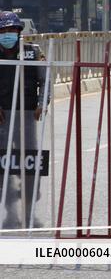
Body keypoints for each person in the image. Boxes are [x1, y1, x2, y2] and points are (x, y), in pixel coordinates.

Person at [0, 11, 48, 230]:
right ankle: (9, 211)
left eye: (12, 30)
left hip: (26, 117)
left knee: (29, 164)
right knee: (3, 167)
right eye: (3, 31)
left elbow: (45, 79)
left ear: (19, 32)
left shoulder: (32, 52)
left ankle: (29, 210)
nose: (8, 34)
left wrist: (41, 103)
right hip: (2, 118)